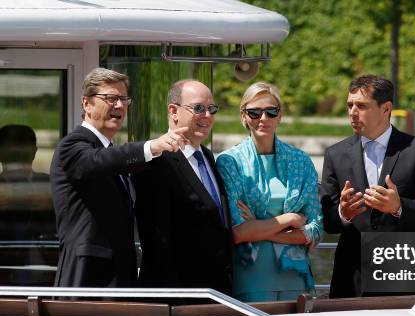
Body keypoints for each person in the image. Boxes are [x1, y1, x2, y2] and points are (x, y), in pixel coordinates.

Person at [50, 67, 188, 287]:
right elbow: (100, 160)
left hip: (121, 277)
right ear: (86, 104)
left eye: (124, 99)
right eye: (110, 98)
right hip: (88, 279)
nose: (120, 105)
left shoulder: (113, 154)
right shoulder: (73, 145)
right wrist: (151, 146)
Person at [320, 75, 415, 298]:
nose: (352, 112)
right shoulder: (335, 155)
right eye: (350, 105)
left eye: (362, 106)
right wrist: (343, 213)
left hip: (403, 279)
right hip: (351, 281)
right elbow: (327, 221)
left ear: (386, 109)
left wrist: (399, 207)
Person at [216, 82, 323, 302]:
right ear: (244, 116)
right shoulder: (230, 162)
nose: (263, 118)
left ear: (280, 116)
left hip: (295, 277)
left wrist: (259, 227)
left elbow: (315, 229)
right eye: (254, 112)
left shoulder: (301, 160)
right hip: (249, 276)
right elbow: (238, 232)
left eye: (271, 112)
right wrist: (290, 219)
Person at [132, 80, 232, 295]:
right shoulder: (156, 161)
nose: (207, 116)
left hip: (217, 294)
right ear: (173, 111)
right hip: (180, 298)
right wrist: (176, 303)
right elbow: (157, 241)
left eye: (211, 109)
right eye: (198, 108)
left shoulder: (206, 156)